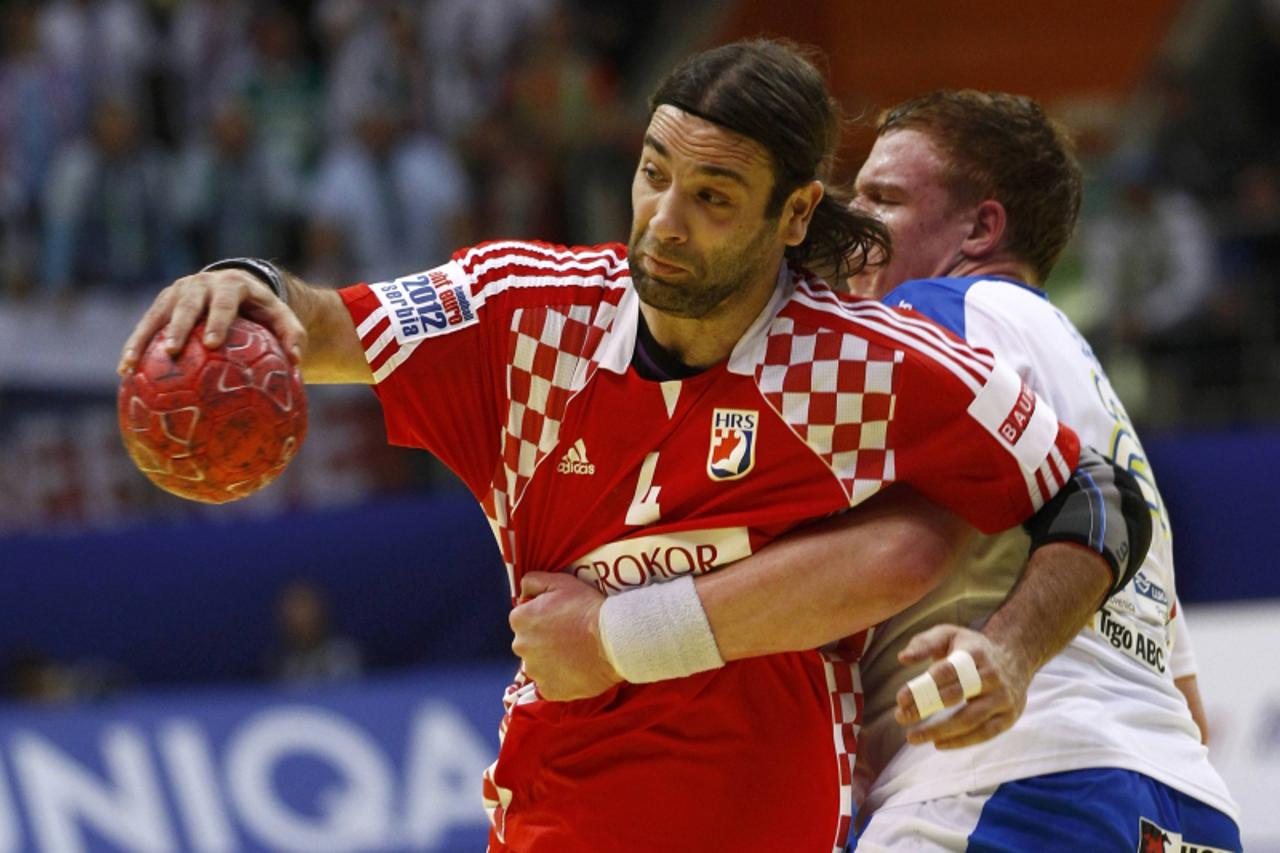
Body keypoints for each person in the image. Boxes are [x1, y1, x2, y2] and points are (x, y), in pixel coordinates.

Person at [119, 41, 1125, 853]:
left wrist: (1010, 652)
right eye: (653, 174)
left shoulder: (865, 365)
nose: (662, 222)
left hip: (768, 821)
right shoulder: (521, 314)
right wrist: (239, 277)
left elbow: (1092, 496)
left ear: (795, 214)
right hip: (561, 810)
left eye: (713, 197)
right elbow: (325, 326)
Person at [846, 90, 1239, 851]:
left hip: (1004, 783)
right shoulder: (1101, 407)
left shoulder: (940, 309)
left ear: (981, 227)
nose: (850, 221)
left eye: (882, 199)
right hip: (1186, 800)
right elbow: (1185, 697)